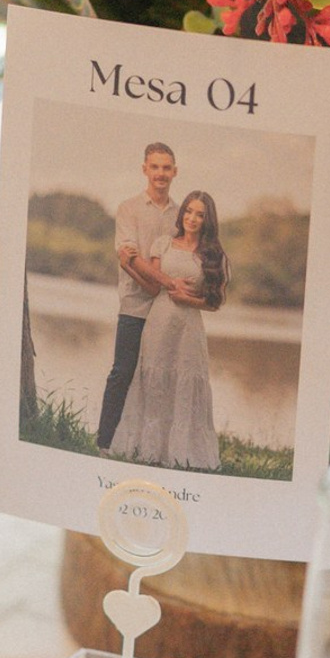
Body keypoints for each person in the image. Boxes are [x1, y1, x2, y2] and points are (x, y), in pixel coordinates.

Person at [109, 189, 227, 472]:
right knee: (154, 381)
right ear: (181, 213)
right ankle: (149, 449)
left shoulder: (213, 255)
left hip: (189, 330)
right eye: (188, 211)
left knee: (184, 382)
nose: (192, 218)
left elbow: (215, 303)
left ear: (208, 220)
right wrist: (128, 266)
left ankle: (182, 453)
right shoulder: (163, 244)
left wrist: (187, 299)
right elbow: (152, 287)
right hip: (159, 324)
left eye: (200, 214)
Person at [95, 142, 189, 452]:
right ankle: (105, 443)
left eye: (166, 168)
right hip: (135, 305)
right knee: (123, 372)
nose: (160, 173)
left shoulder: (181, 215)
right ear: (144, 169)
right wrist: (166, 281)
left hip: (170, 308)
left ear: (174, 172)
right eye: (155, 167)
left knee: (160, 380)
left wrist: (167, 285)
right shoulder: (128, 209)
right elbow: (129, 258)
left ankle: (150, 446)